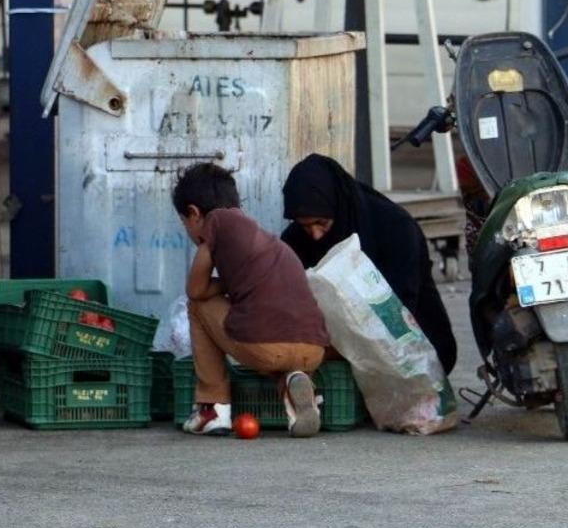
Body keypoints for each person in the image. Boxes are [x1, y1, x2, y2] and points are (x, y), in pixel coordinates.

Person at [172, 162, 330, 438]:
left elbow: (196, 290)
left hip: (266, 346)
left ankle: (212, 408)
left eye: (185, 222)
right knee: (271, 339)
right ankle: (295, 388)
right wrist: (229, 283)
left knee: (198, 307)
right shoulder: (265, 239)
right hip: (313, 350)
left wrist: (217, 286)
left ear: (194, 213)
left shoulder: (217, 223)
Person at [280, 154, 458, 375]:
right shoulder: (296, 239)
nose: (315, 235)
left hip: (411, 344)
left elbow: (400, 308)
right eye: (306, 226)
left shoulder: (394, 227)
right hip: (338, 343)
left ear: (337, 204)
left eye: (321, 223)